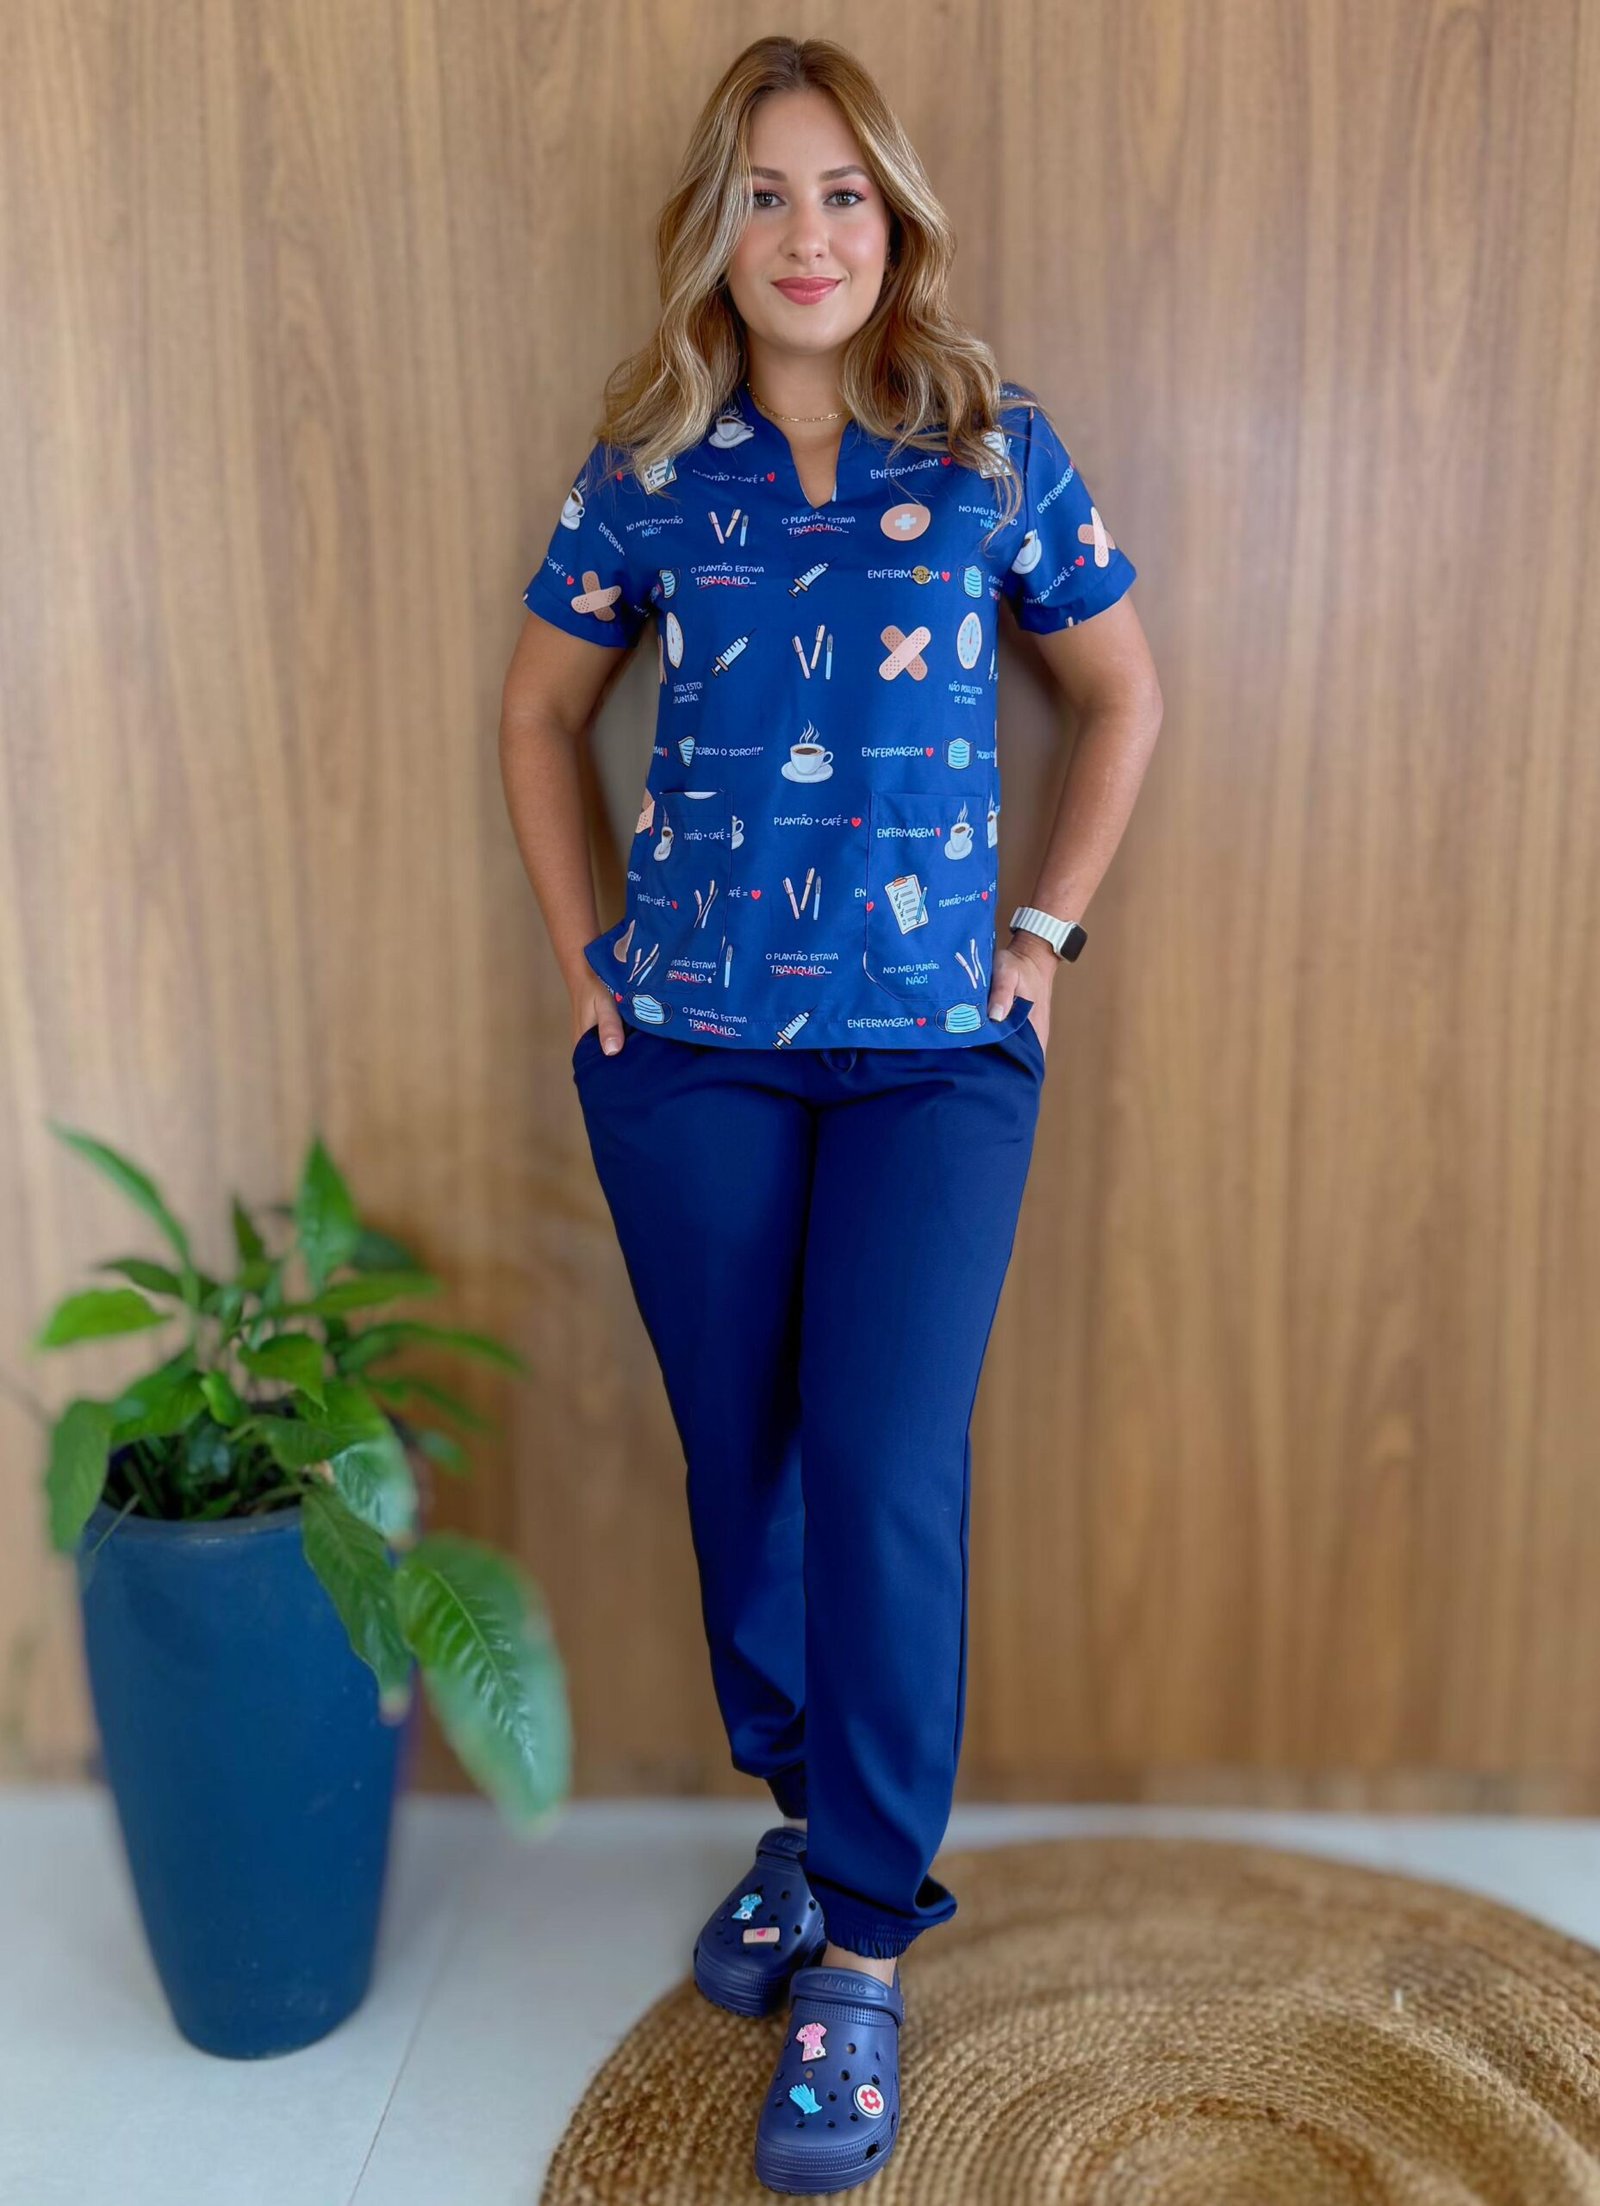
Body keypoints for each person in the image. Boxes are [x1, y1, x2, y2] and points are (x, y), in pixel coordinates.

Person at [500, 32, 1162, 2195]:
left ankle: (863, 1940)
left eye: (844, 194)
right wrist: (587, 959)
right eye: (768, 195)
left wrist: (1042, 932)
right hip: (691, 1047)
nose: (808, 236)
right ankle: (798, 1813)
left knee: (881, 1462)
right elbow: (539, 711)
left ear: (896, 219)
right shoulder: (645, 468)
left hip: (933, 1059)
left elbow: (1119, 688)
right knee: (747, 1454)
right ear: (718, 227)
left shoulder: (986, 446)